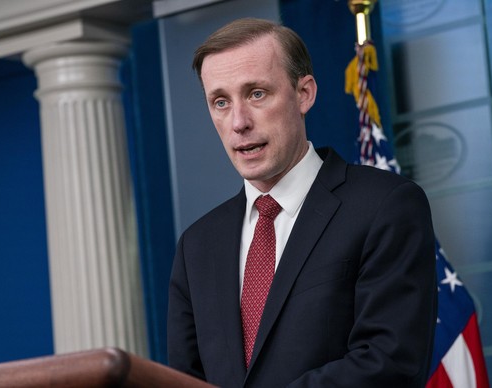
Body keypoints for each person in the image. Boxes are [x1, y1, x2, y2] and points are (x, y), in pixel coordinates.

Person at [167, 17, 436, 387]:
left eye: (256, 93)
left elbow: (390, 363)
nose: (238, 122)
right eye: (221, 102)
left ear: (304, 94)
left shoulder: (385, 206)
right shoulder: (196, 246)